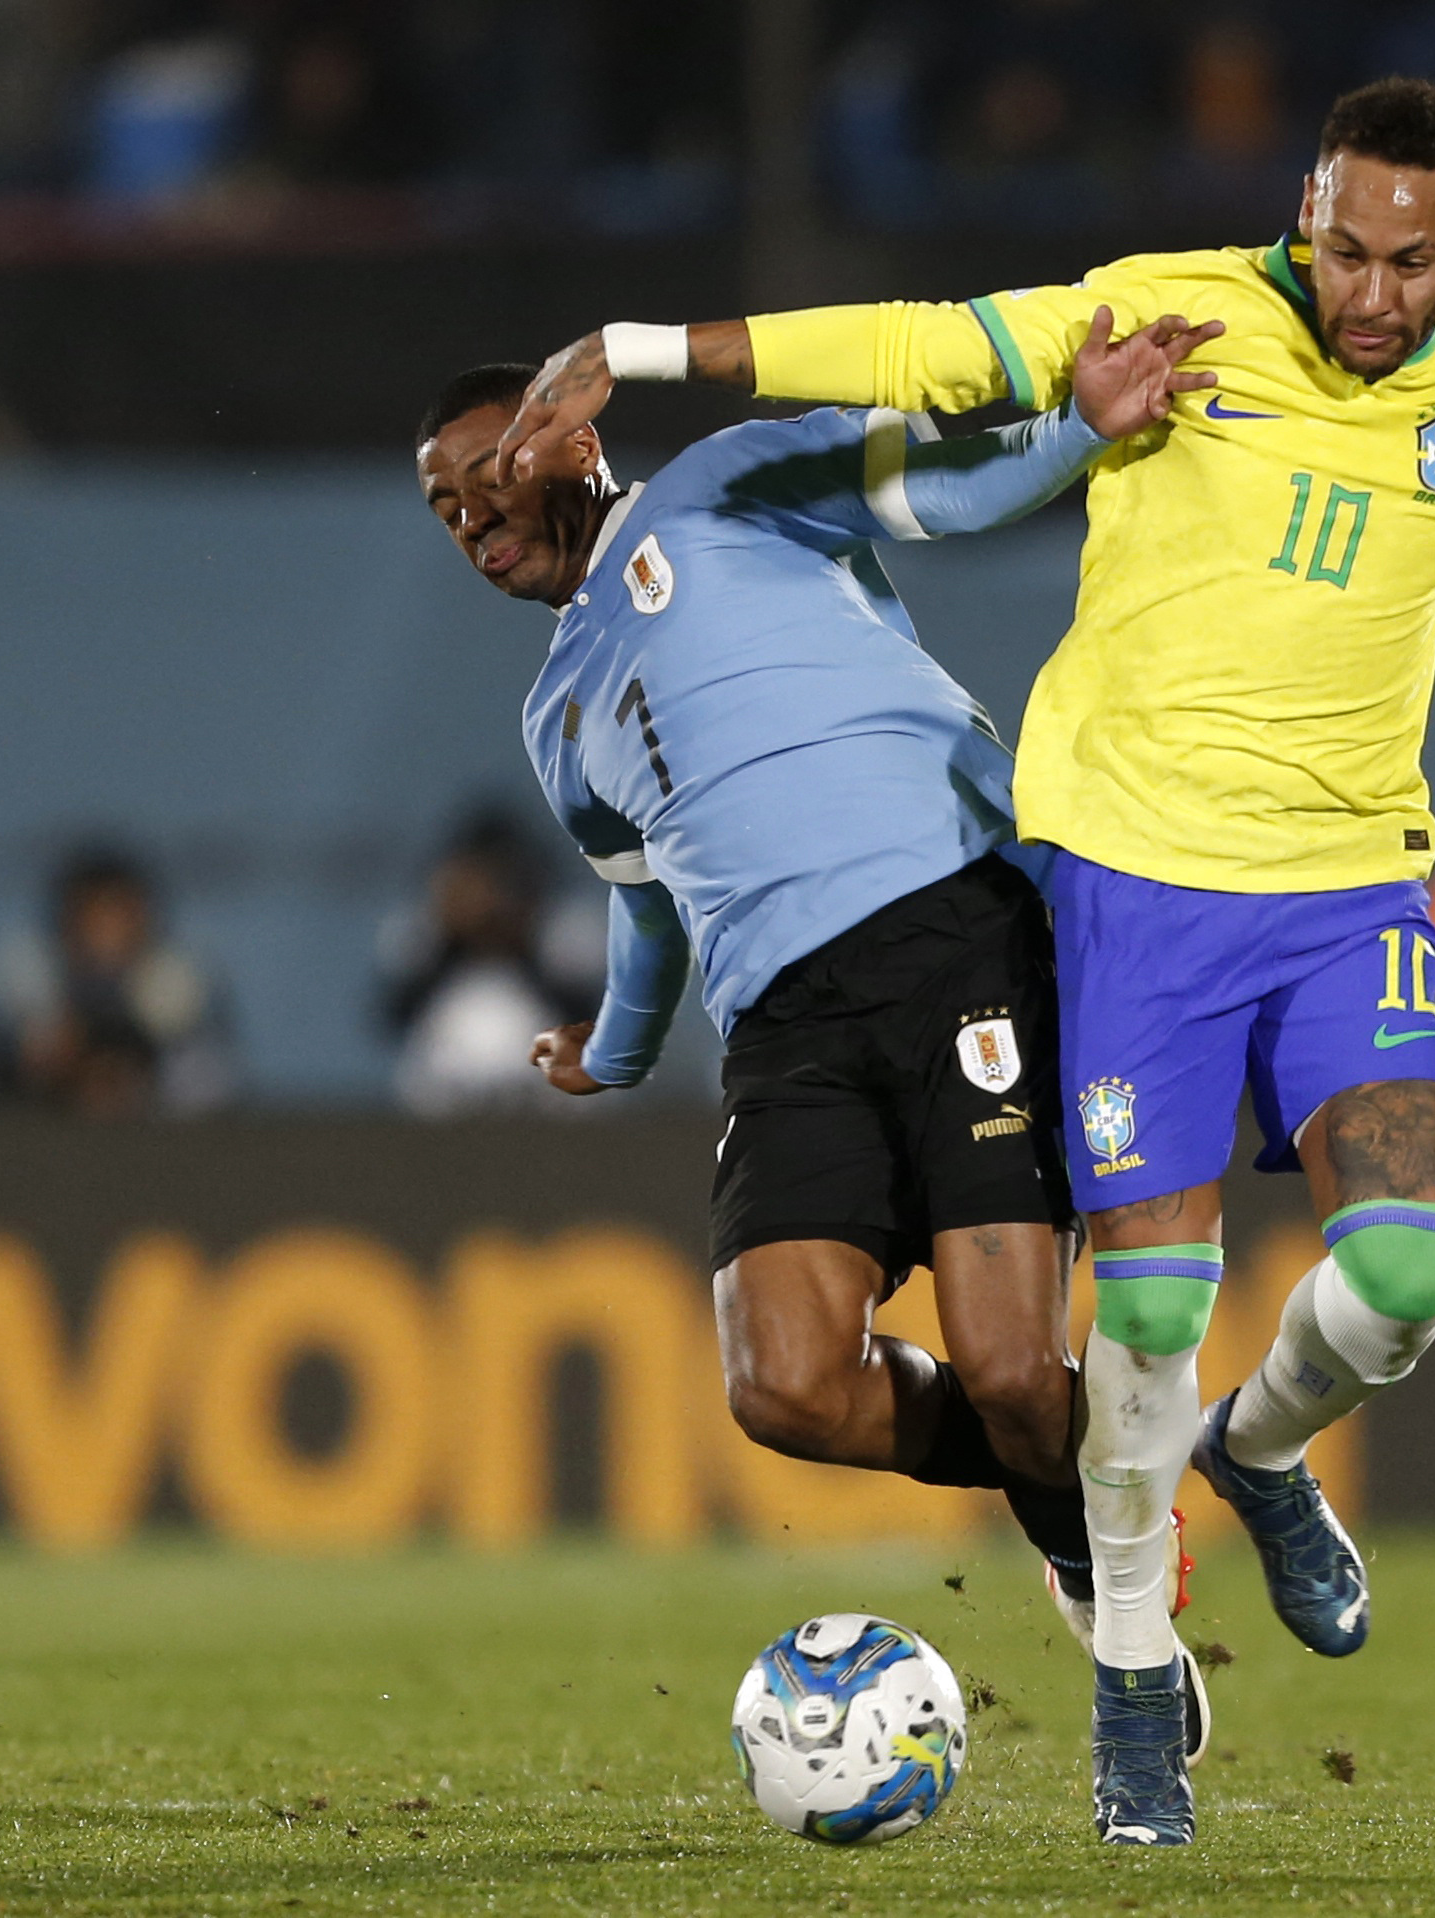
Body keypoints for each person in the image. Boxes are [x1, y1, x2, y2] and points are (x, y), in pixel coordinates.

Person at [495, 76, 1435, 1843]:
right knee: (1119, 1329)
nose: (1371, 294)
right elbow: (929, 348)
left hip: (1331, 892)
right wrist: (640, 336)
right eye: (1341, 249)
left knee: (1395, 1285)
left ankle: (1253, 1452)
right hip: (1131, 890)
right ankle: (1131, 1695)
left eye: (1410, 261)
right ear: (1299, 219)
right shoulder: (1180, 305)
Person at [415, 307, 1221, 1756]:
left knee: (1014, 1373)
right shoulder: (555, 718)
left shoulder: (725, 486)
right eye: (442, 502)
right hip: (781, 1026)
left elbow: (948, 488)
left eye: (487, 467)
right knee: (782, 1386)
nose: (470, 513)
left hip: (953, 934)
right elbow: (652, 904)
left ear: (576, 437)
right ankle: (1098, 1499)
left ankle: (1121, 1621)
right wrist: (613, 1042)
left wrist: (1082, 426)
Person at [378, 805, 604, 1116]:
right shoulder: (427, 928)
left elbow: (592, 1023)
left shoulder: (561, 927)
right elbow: (393, 1018)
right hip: (446, 1094)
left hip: (544, 1101)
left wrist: (520, 940)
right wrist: (453, 938)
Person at [0, 843, 234, 1117]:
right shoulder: (27, 970)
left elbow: (211, 1080)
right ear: (65, 922)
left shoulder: (176, 976)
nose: (106, 935)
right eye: (93, 918)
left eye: (118, 918)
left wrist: (120, 1059)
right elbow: (16, 1059)